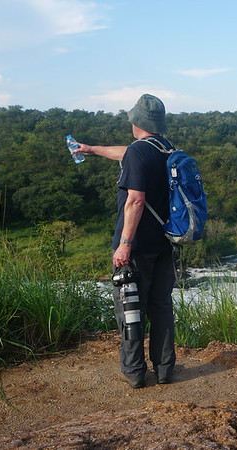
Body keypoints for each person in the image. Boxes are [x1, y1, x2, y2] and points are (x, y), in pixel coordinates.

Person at [74, 94, 177, 388]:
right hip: (165, 241)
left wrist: (124, 243)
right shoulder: (167, 148)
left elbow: (135, 200)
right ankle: (165, 369)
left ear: (137, 122)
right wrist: (92, 150)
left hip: (138, 246)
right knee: (161, 306)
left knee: (131, 307)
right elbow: (127, 153)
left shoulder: (138, 152)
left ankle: (133, 372)